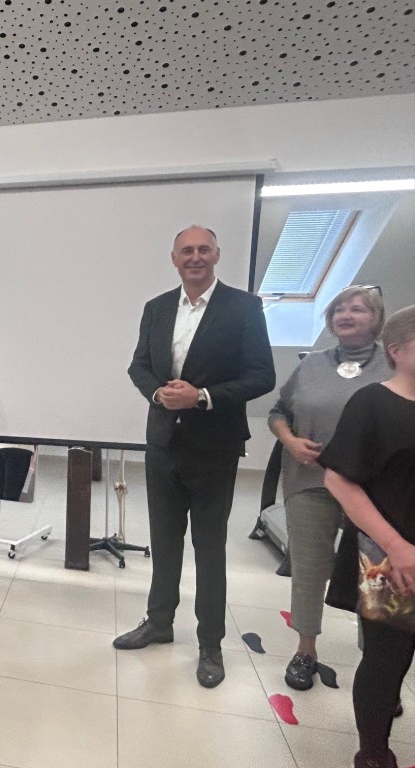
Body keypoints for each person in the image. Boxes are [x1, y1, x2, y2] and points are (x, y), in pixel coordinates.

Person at [114, 225, 275, 689]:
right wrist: (159, 394)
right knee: (164, 541)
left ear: (217, 254)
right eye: (187, 250)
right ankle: (158, 622)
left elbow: (262, 376)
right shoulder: (157, 308)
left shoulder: (243, 307)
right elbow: (138, 366)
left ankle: (210, 644)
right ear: (174, 258)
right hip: (163, 443)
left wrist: (202, 396)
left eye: (204, 249)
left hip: (215, 447)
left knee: (209, 547)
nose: (196, 257)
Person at [268, 285, 390, 690]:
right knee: (308, 568)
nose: (346, 315)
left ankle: (376, 664)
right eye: (339, 309)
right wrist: (290, 441)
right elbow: (278, 411)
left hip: (373, 489)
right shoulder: (312, 364)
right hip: (310, 480)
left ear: (377, 318)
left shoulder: (394, 365)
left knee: (373, 574)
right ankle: (305, 650)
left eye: (358, 309)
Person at [320, 305, 415, 768]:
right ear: (396, 350)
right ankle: (374, 754)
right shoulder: (372, 403)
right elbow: (339, 480)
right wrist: (399, 549)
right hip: (386, 557)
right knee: (386, 658)